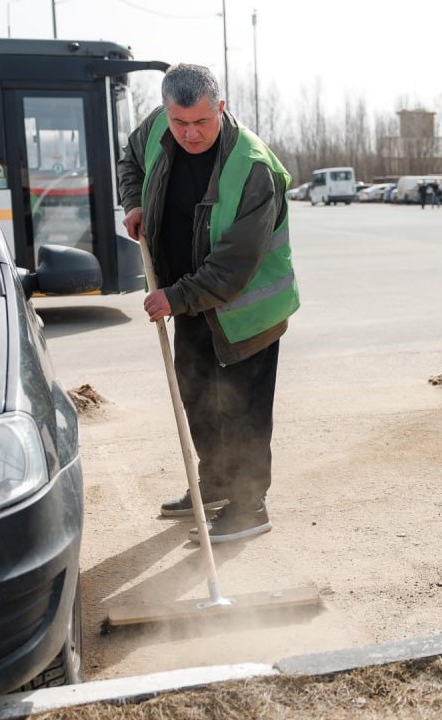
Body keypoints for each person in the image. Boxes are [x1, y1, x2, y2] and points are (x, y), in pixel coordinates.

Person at [117, 63, 299, 544]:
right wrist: (134, 203)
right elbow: (129, 161)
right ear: (166, 111)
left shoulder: (253, 168)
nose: (190, 134)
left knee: (242, 409)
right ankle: (216, 483)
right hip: (189, 302)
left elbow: (232, 270)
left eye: (201, 121)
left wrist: (173, 298)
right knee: (198, 397)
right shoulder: (158, 127)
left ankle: (248, 504)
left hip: (244, 310)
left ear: (221, 107)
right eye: (180, 123)